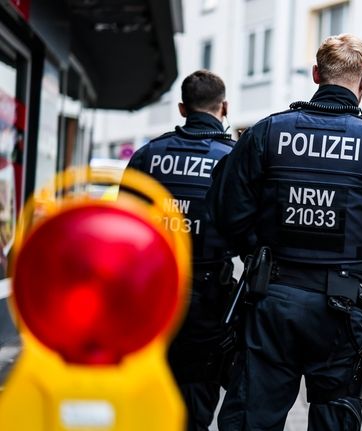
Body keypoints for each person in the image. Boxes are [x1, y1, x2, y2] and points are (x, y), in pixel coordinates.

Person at [208, 34, 362, 430]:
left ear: (317, 74)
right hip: (340, 310)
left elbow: (223, 212)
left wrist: (259, 250)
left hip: (271, 301)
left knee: (251, 419)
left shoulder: (267, 133)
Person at [121, 70, 236, 430]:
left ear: (183, 108)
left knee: (144, 393)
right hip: (208, 298)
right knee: (195, 401)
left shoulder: (148, 155)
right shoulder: (233, 159)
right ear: (224, 107)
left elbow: (123, 226)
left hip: (149, 294)